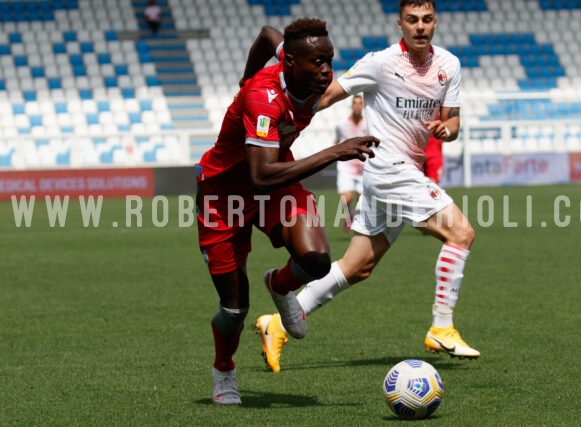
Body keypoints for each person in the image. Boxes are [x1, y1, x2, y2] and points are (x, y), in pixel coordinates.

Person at [254, 0, 479, 374]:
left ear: (435, 23)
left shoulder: (449, 66)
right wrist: (284, 119)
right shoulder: (381, 63)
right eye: (412, 20)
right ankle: (442, 326)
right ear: (400, 24)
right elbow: (327, 96)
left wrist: (446, 130)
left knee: (357, 267)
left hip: (401, 173)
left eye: (426, 20)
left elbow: (452, 122)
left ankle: (276, 323)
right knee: (461, 233)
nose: (420, 27)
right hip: (389, 168)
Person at [195, 18, 379, 404]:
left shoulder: (300, 66)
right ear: (292, 63)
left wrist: (241, 83)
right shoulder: (265, 97)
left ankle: (279, 285)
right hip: (224, 195)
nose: (326, 70)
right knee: (233, 309)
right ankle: (224, 370)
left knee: (317, 261)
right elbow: (260, 175)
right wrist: (336, 151)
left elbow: (265, 33)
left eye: (329, 60)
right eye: (317, 62)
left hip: (276, 182)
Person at [334, 95, 367, 232]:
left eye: (360, 103)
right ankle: (350, 214)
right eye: (355, 103)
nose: (358, 106)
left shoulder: (368, 124)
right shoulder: (341, 125)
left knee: (361, 200)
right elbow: (336, 141)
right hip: (346, 167)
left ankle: (359, 223)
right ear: (352, 106)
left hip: (363, 167)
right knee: (345, 199)